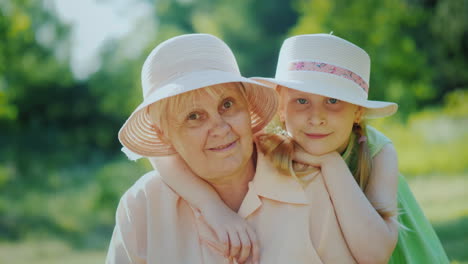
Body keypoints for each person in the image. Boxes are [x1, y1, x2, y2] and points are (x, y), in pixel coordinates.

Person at [156, 34, 449, 263]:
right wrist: (212, 208)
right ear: (281, 107)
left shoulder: (378, 151)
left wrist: (332, 164)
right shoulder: (266, 142)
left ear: (358, 112)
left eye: (333, 101)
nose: (315, 117)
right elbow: (160, 155)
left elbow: (374, 255)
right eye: (301, 101)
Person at [107, 33, 358, 264]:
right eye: (194, 116)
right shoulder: (143, 205)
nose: (220, 128)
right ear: (164, 134)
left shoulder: (310, 186)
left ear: (247, 108)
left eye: (227, 105)